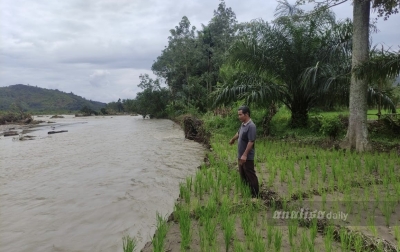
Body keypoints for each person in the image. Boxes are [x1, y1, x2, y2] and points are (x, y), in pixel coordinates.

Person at [229, 105, 259, 198]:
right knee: (243, 175)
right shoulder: (243, 124)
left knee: (250, 175)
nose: (239, 117)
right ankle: (246, 192)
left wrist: (245, 155)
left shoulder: (251, 126)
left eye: (240, 115)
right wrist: (233, 139)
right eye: (238, 115)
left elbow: (251, 141)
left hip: (247, 157)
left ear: (246, 114)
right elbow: (239, 133)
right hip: (240, 155)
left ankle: (255, 195)